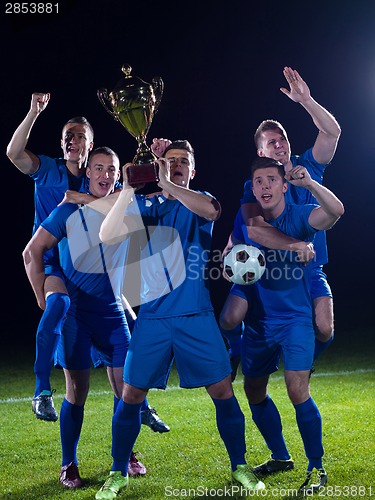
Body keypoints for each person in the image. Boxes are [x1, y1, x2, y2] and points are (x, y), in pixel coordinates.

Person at [95, 140, 266, 499]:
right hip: (153, 318)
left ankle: (240, 466)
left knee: (222, 390)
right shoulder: (142, 204)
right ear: (159, 164)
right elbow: (106, 235)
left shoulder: (198, 199)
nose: (175, 165)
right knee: (130, 395)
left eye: (183, 162)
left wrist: (169, 184)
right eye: (169, 161)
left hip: (195, 315)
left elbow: (214, 211)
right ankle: (117, 471)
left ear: (192, 170)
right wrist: (127, 188)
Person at [6, 93, 170, 433]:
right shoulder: (49, 170)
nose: (73, 138)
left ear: (92, 144)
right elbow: (13, 153)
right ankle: (41, 391)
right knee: (59, 305)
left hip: (92, 269)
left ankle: (141, 409)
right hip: (54, 261)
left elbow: (135, 194)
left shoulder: (97, 178)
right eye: (68, 133)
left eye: (80, 134)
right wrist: (34, 111)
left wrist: (157, 161)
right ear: (61, 143)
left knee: (134, 322)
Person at [22, 147, 150, 487]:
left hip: (112, 314)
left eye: (111, 169)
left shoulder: (125, 208)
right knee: (76, 392)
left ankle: (126, 456)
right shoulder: (66, 211)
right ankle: (68, 464)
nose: (105, 175)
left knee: (128, 391)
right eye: (99, 168)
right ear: (88, 173)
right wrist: (40, 297)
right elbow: (31, 252)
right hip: (77, 315)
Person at [220, 66, 342, 380]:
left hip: (308, 268)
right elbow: (255, 227)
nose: (279, 144)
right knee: (230, 319)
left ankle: (303, 363)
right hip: (269, 268)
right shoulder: (256, 186)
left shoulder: (308, 167)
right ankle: (236, 351)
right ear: (260, 152)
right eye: (271, 142)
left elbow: (332, 133)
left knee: (325, 329)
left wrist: (306, 101)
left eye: (282, 139)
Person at [232, 157, 344, 494]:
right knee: (253, 389)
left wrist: (309, 183)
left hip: (294, 320)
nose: (264, 186)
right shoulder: (250, 219)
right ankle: (280, 456)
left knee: (297, 390)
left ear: (284, 185)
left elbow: (335, 211)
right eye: (258, 181)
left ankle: (316, 468)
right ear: (252, 189)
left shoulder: (299, 215)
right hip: (259, 323)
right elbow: (252, 235)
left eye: (271, 179)